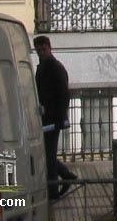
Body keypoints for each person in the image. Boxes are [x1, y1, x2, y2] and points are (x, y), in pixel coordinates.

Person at [33, 36, 76, 199]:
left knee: (48, 155)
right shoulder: (45, 66)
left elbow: (64, 94)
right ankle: (65, 176)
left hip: (52, 119)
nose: (41, 53)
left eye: (43, 50)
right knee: (46, 154)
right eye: (38, 50)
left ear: (50, 48)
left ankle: (53, 190)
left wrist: (60, 117)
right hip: (47, 118)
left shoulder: (55, 67)